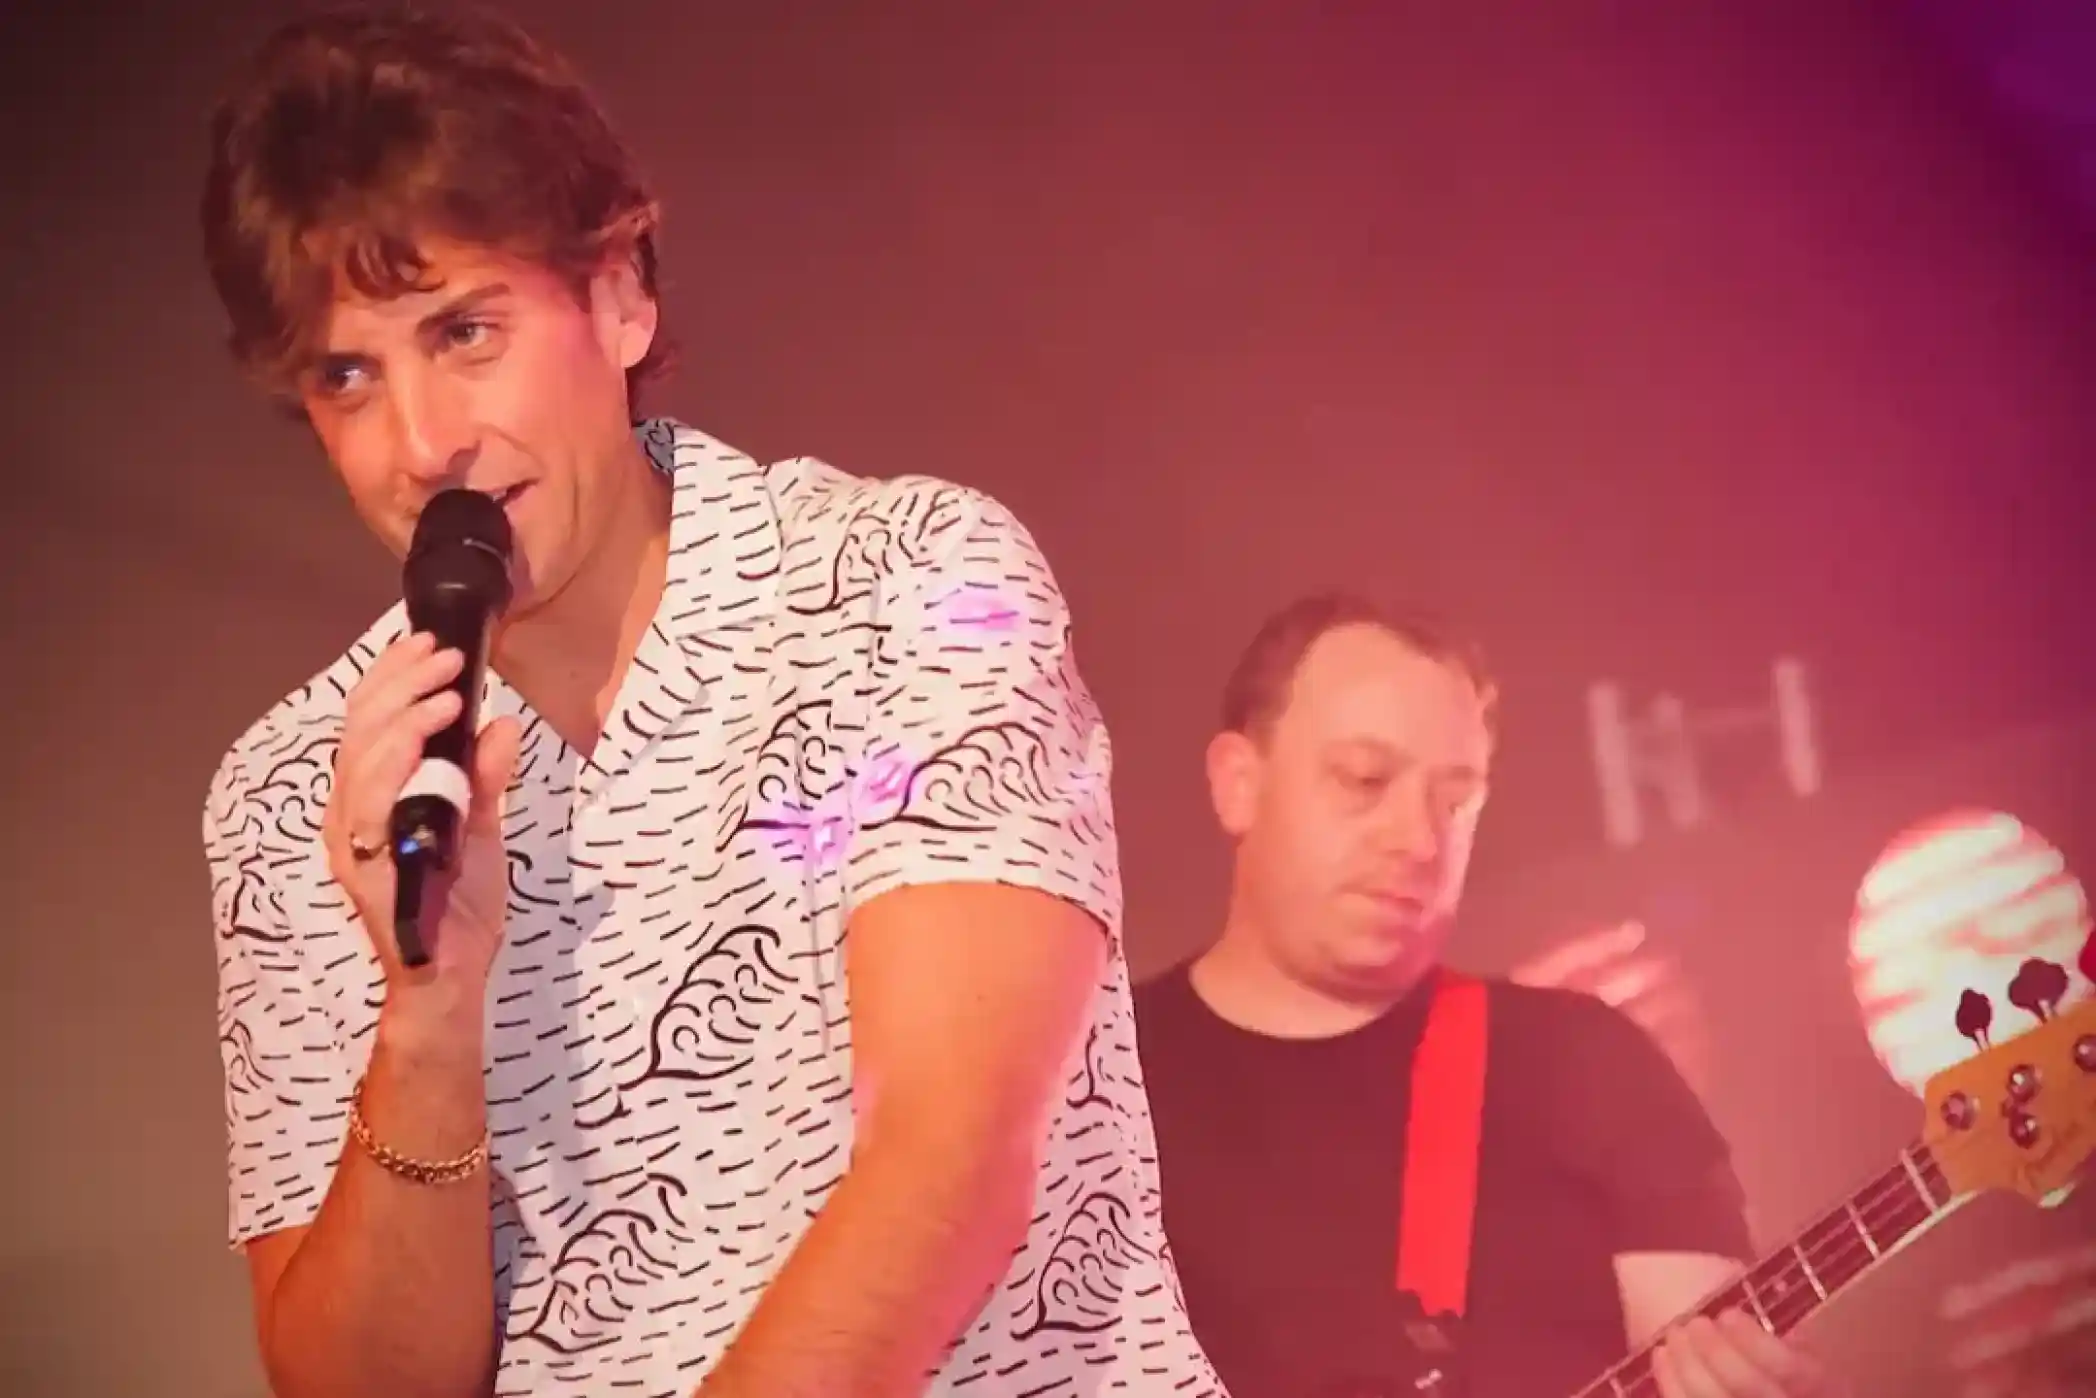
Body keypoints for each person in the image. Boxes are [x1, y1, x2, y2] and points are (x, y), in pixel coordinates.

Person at [196, 7, 1223, 1397]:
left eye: (466, 330)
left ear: (620, 296)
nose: (423, 441)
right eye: (349, 376)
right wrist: (425, 1011)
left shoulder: (910, 579)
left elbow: (951, 1160)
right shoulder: (290, 795)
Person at [1133, 592, 1837, 1398]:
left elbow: (1709, 1348)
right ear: (1238, 784)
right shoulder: (1087, 1089)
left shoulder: (1584, 1063)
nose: (1418, 839)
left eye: (1456, 798)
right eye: (1364, 779)